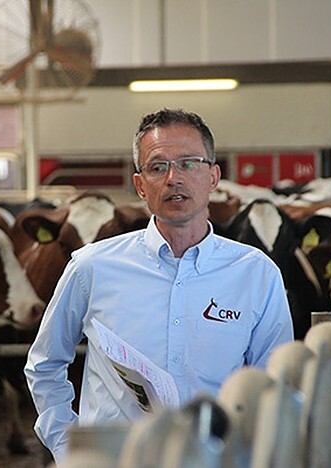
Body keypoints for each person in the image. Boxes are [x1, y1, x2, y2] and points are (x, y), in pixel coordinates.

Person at [24, 108, 294, 464]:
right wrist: (66, 446)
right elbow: (44, 365)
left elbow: (273, 387)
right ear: (140, 186)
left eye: (188, 164)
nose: (173, 178)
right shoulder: (92, 267)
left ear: (214, 177)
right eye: (157, 167)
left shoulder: (256, 274)